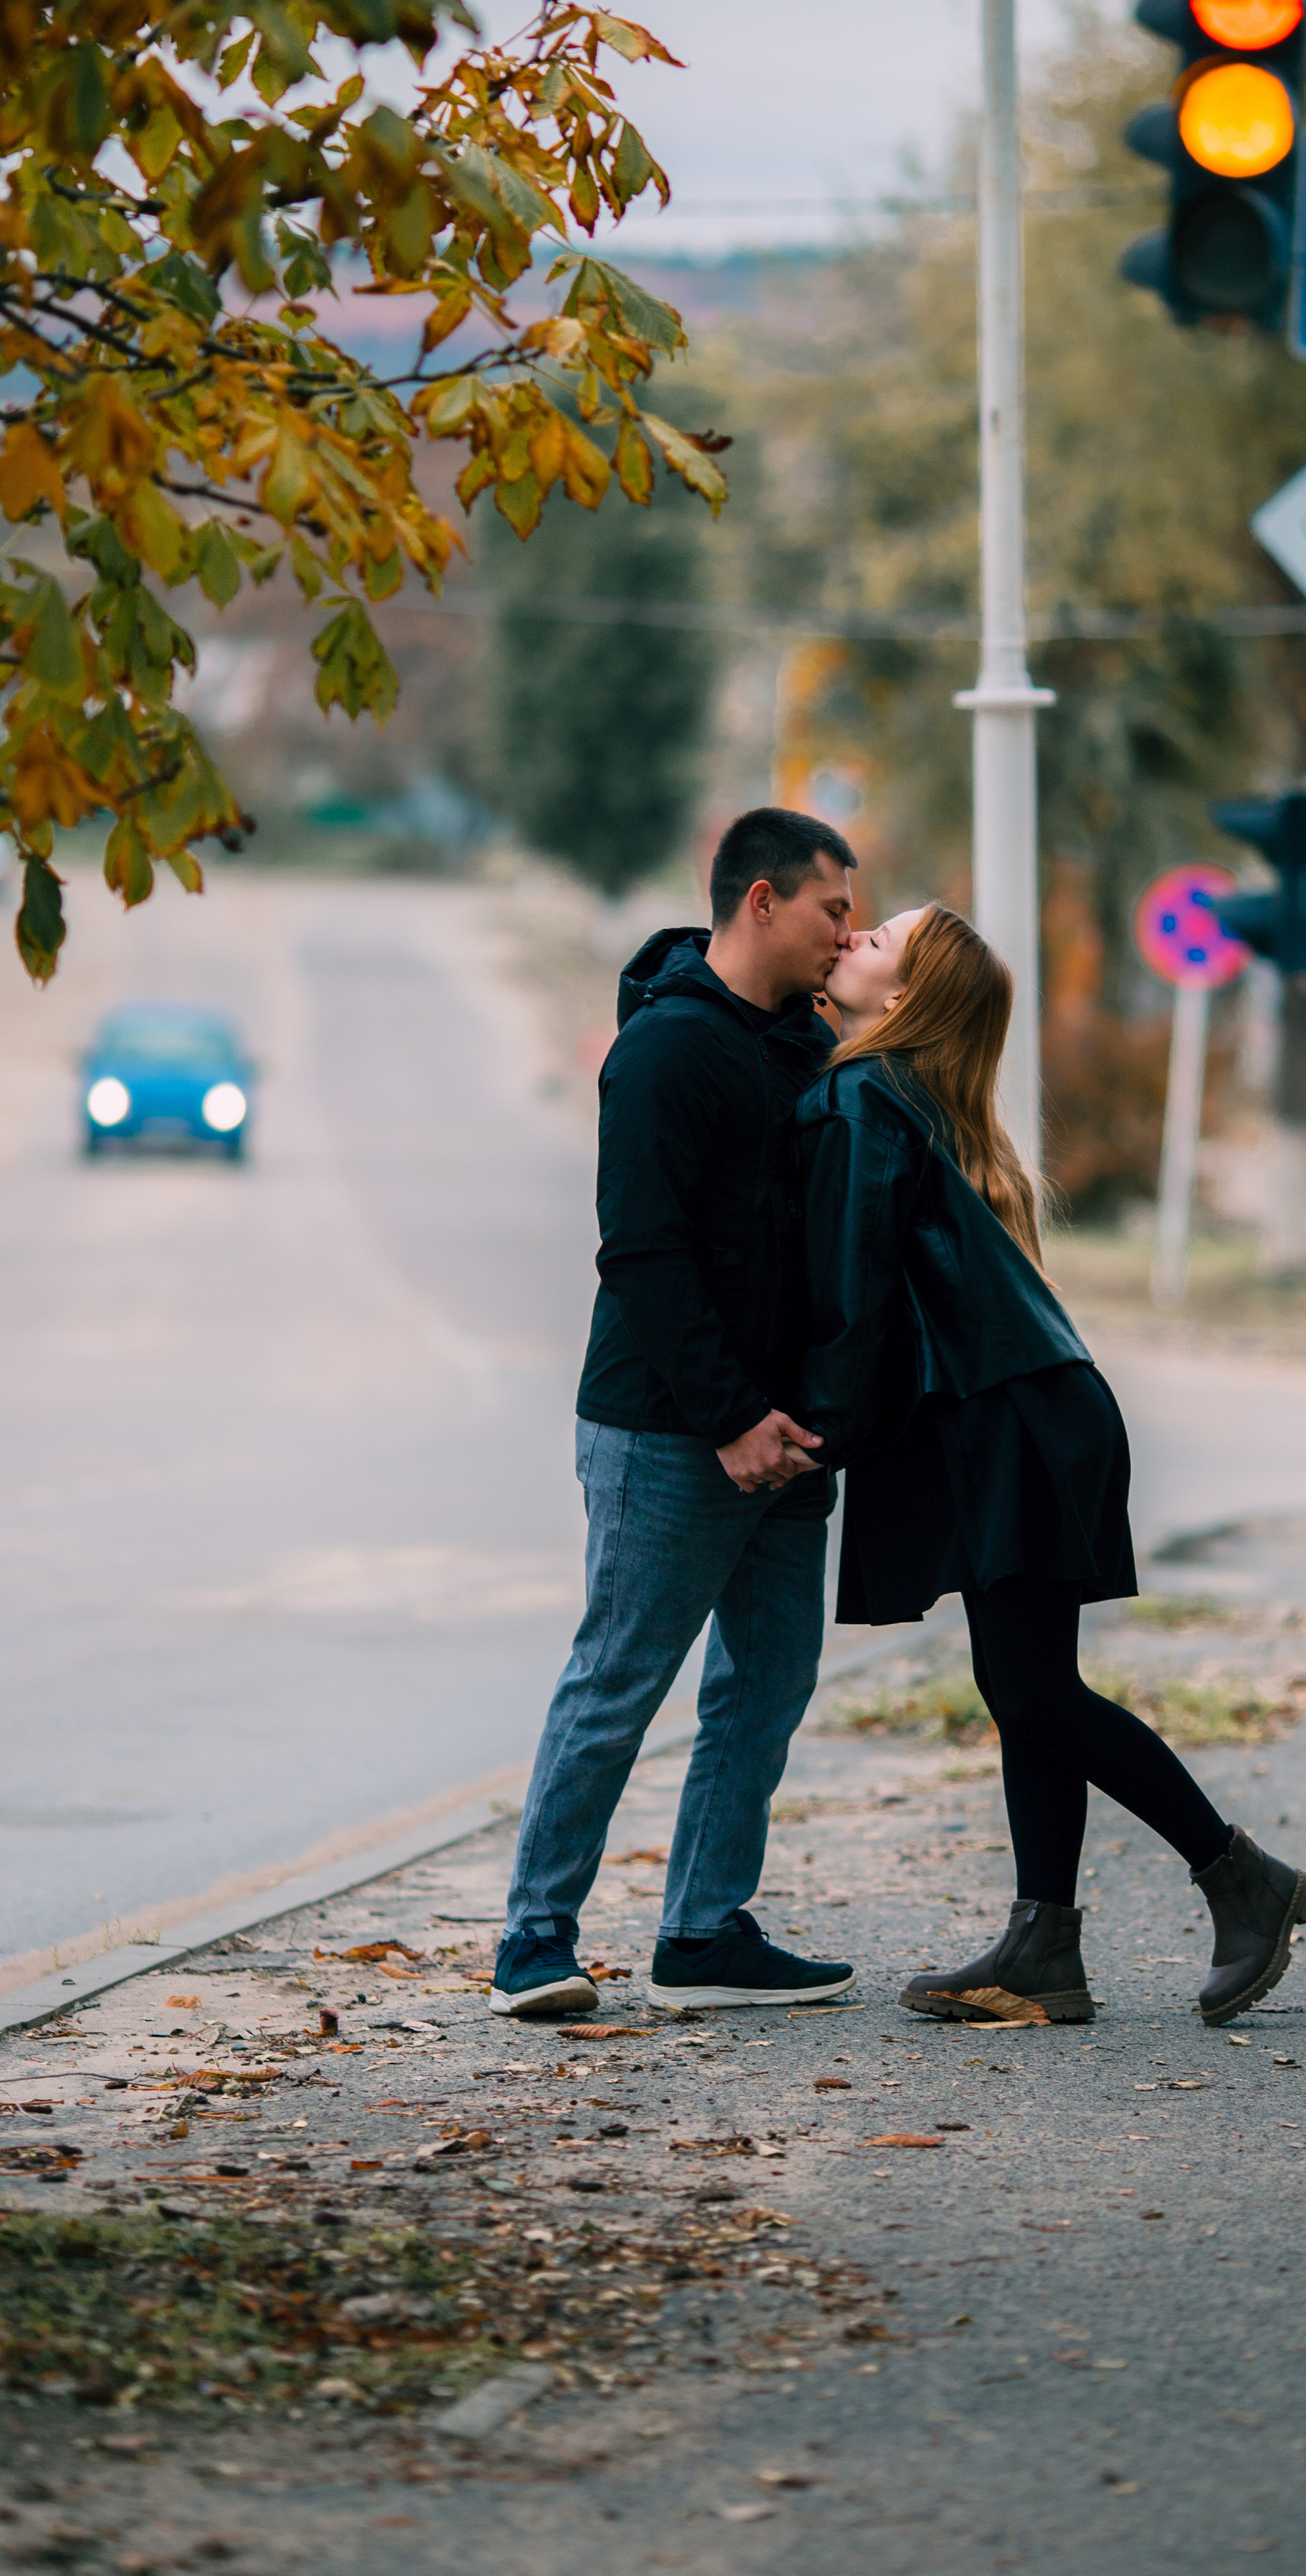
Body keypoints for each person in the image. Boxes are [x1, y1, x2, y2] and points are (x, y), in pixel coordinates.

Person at [795, 903, 1306, 2028]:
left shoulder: (859, 1099)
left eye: (875, 939)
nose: (850, 941)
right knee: (1021, 1685)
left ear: (904, 998)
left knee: (1030, 1686)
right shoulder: (905, 1099)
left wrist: (812, 1438)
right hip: (1036, 1416)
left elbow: (858, 1297)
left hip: (1015, 1424)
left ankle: (1242, 1877)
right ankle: (1043, 1948)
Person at [491, 807, 864, 2019]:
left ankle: (704, 1933)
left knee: (765, 1685)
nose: (846, 934)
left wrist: (805, 1418)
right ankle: (533, 1944)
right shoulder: (662, 1053)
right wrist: (730, 1419)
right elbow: (644, 1255)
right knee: (620, 1680)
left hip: (790, 1440)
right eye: (832, 909)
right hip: (669, 1430)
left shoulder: (809, 1048)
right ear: (761, 900)